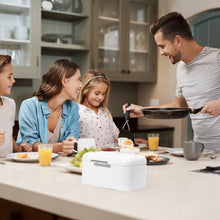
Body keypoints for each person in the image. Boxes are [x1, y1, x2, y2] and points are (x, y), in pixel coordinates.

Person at [123, 12, 220, 152]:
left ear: (178, 40)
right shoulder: (181, 69)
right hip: (201, 152)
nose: (161, 52)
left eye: (162, 46)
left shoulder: (217, 59)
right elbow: (179, 106)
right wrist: (144, 111)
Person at [16, 59, 82, 155]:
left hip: (59, 164)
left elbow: (71, 142)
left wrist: (69, 146)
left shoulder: (73, 108)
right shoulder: (29, 106)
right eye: (78, 79)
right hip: (30, 164)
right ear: (64, 81)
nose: (81, 85)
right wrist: (60, 147)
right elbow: (31, 145)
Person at [78, 70, 147, 148]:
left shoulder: (105, 113)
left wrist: (138, 141)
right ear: (85, 91)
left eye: (103, 94)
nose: (100, 97)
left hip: (111, 156)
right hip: (90, 158)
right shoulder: (77, 112)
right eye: (97, 93)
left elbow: (117, 138)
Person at [0, 55, 31, 157]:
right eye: (9, 77)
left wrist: (19, 149)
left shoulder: (10, 104)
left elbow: (8, 136)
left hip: (7, 165)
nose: (13, 80)